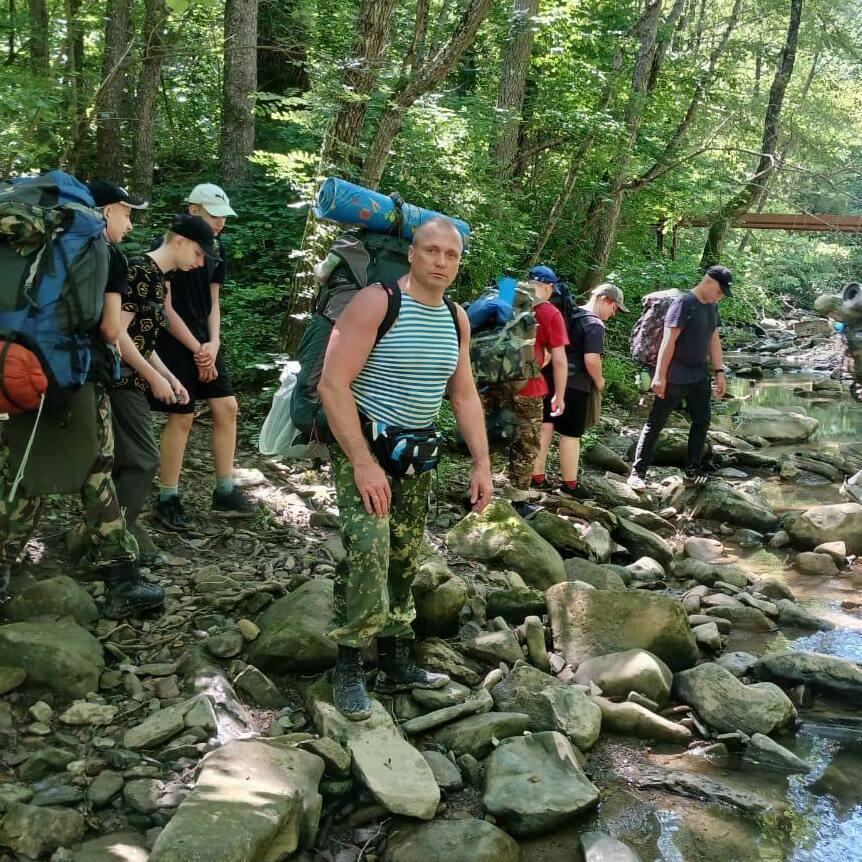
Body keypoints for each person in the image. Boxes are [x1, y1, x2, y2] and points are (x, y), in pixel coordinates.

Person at [318, 216, 493, 721]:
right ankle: (349, 663)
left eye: (451, 255)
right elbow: (333, 383)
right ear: (412, 254)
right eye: (432, 250)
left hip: (415, 453)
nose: (441, 261)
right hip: (365, 447)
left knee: (404, 553)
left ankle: (395, 657)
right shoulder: (377, 302)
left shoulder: (457, 317)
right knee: (368, 547)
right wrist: (361, 462)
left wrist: (482, 463)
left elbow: (463, 393)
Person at [0, 180, 163, 619]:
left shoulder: (33, 245)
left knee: (22, 468)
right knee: (96, 468)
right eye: (127, 213)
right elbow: (111, 328)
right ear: (106, 211)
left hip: (18, 365)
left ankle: (3, 568)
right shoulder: (104, 253)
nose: (130, 224)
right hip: (74, 376)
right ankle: (121, 578)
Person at [150, 183, 258, 530]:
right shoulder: (167, 245)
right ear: (193, 210)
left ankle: (225, 489)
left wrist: (213, 343)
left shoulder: (217, 250)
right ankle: (167, 497)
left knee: (227, 407)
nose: (220, 223)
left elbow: (214, 301)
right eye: (214, 216)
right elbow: (164, 308)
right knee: (183, 414)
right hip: (173, 341)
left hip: (205, 342)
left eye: (224, 217)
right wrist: (197, 350)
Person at [109, 215, 216, 560]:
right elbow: (117, 334)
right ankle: (114, 543)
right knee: (142, 460)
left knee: (127, 460)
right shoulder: (139, 269)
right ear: (179, 241)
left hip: (133, 376)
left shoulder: (159, 278)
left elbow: (142, 338)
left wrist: (169, 377)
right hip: (118, 378)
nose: (199, 263)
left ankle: (110, 533)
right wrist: (154, 378)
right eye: (198, 254)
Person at [628, 265, 731, 490]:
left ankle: (692, 470)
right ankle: (638, 472)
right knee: (656, 423)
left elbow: (713, 339)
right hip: (675, 374)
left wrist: (720, 371)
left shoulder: (712, 306)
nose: (720, 297)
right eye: (719, 291)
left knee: (702, 421)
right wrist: (659, 376)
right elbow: (668, 341)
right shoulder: (684, 303)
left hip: (699, 375)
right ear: (709, 281)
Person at [489, 265, 568, 516]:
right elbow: (559, 359)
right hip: (528, 388)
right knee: (526, 444)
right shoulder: (550, 312)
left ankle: (477, 492)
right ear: (550, 287)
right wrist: (560, 394)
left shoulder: (503, 301)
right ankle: (518, 500)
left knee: (489, 437)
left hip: (493, 384)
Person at [533, 283, 626, 495]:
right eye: (614, 308)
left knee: (545, 427)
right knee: (571, 434)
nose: (613, 314)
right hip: (576, 385)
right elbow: (591, 359)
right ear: (603, 299)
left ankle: (536, 477)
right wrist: (599, 380)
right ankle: (570, 484)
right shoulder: (594, 324)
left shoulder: (569, 314)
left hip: (549, 378)